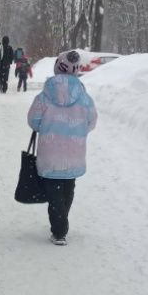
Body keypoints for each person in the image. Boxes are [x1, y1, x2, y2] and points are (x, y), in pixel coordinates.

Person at [27, 50, 97, 245]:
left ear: (58, 67)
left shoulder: (45, 95)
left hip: (50, 153)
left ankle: (59, 230)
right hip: (74, 152)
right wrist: (77, 131)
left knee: (54, 192)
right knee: (68, 187)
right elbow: (92, 121)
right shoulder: (83, 96)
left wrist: (48, 128)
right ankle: (61, 223)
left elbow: (33, 120)